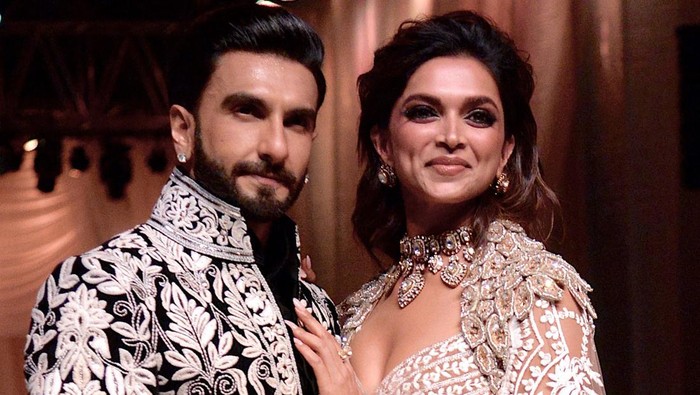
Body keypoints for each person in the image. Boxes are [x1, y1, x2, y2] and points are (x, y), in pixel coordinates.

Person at [23, 4, 339, 394]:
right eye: (247, 111)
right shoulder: (104, 285)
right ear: (183, 129)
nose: (276, 146)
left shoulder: (317, 306)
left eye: (296, 122)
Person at [288, 10, 605, 394]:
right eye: (424, 112)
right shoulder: (357, 310)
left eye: (478, 116)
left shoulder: (535, 293)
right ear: (383, 144)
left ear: (505, 152)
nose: (452, 136)